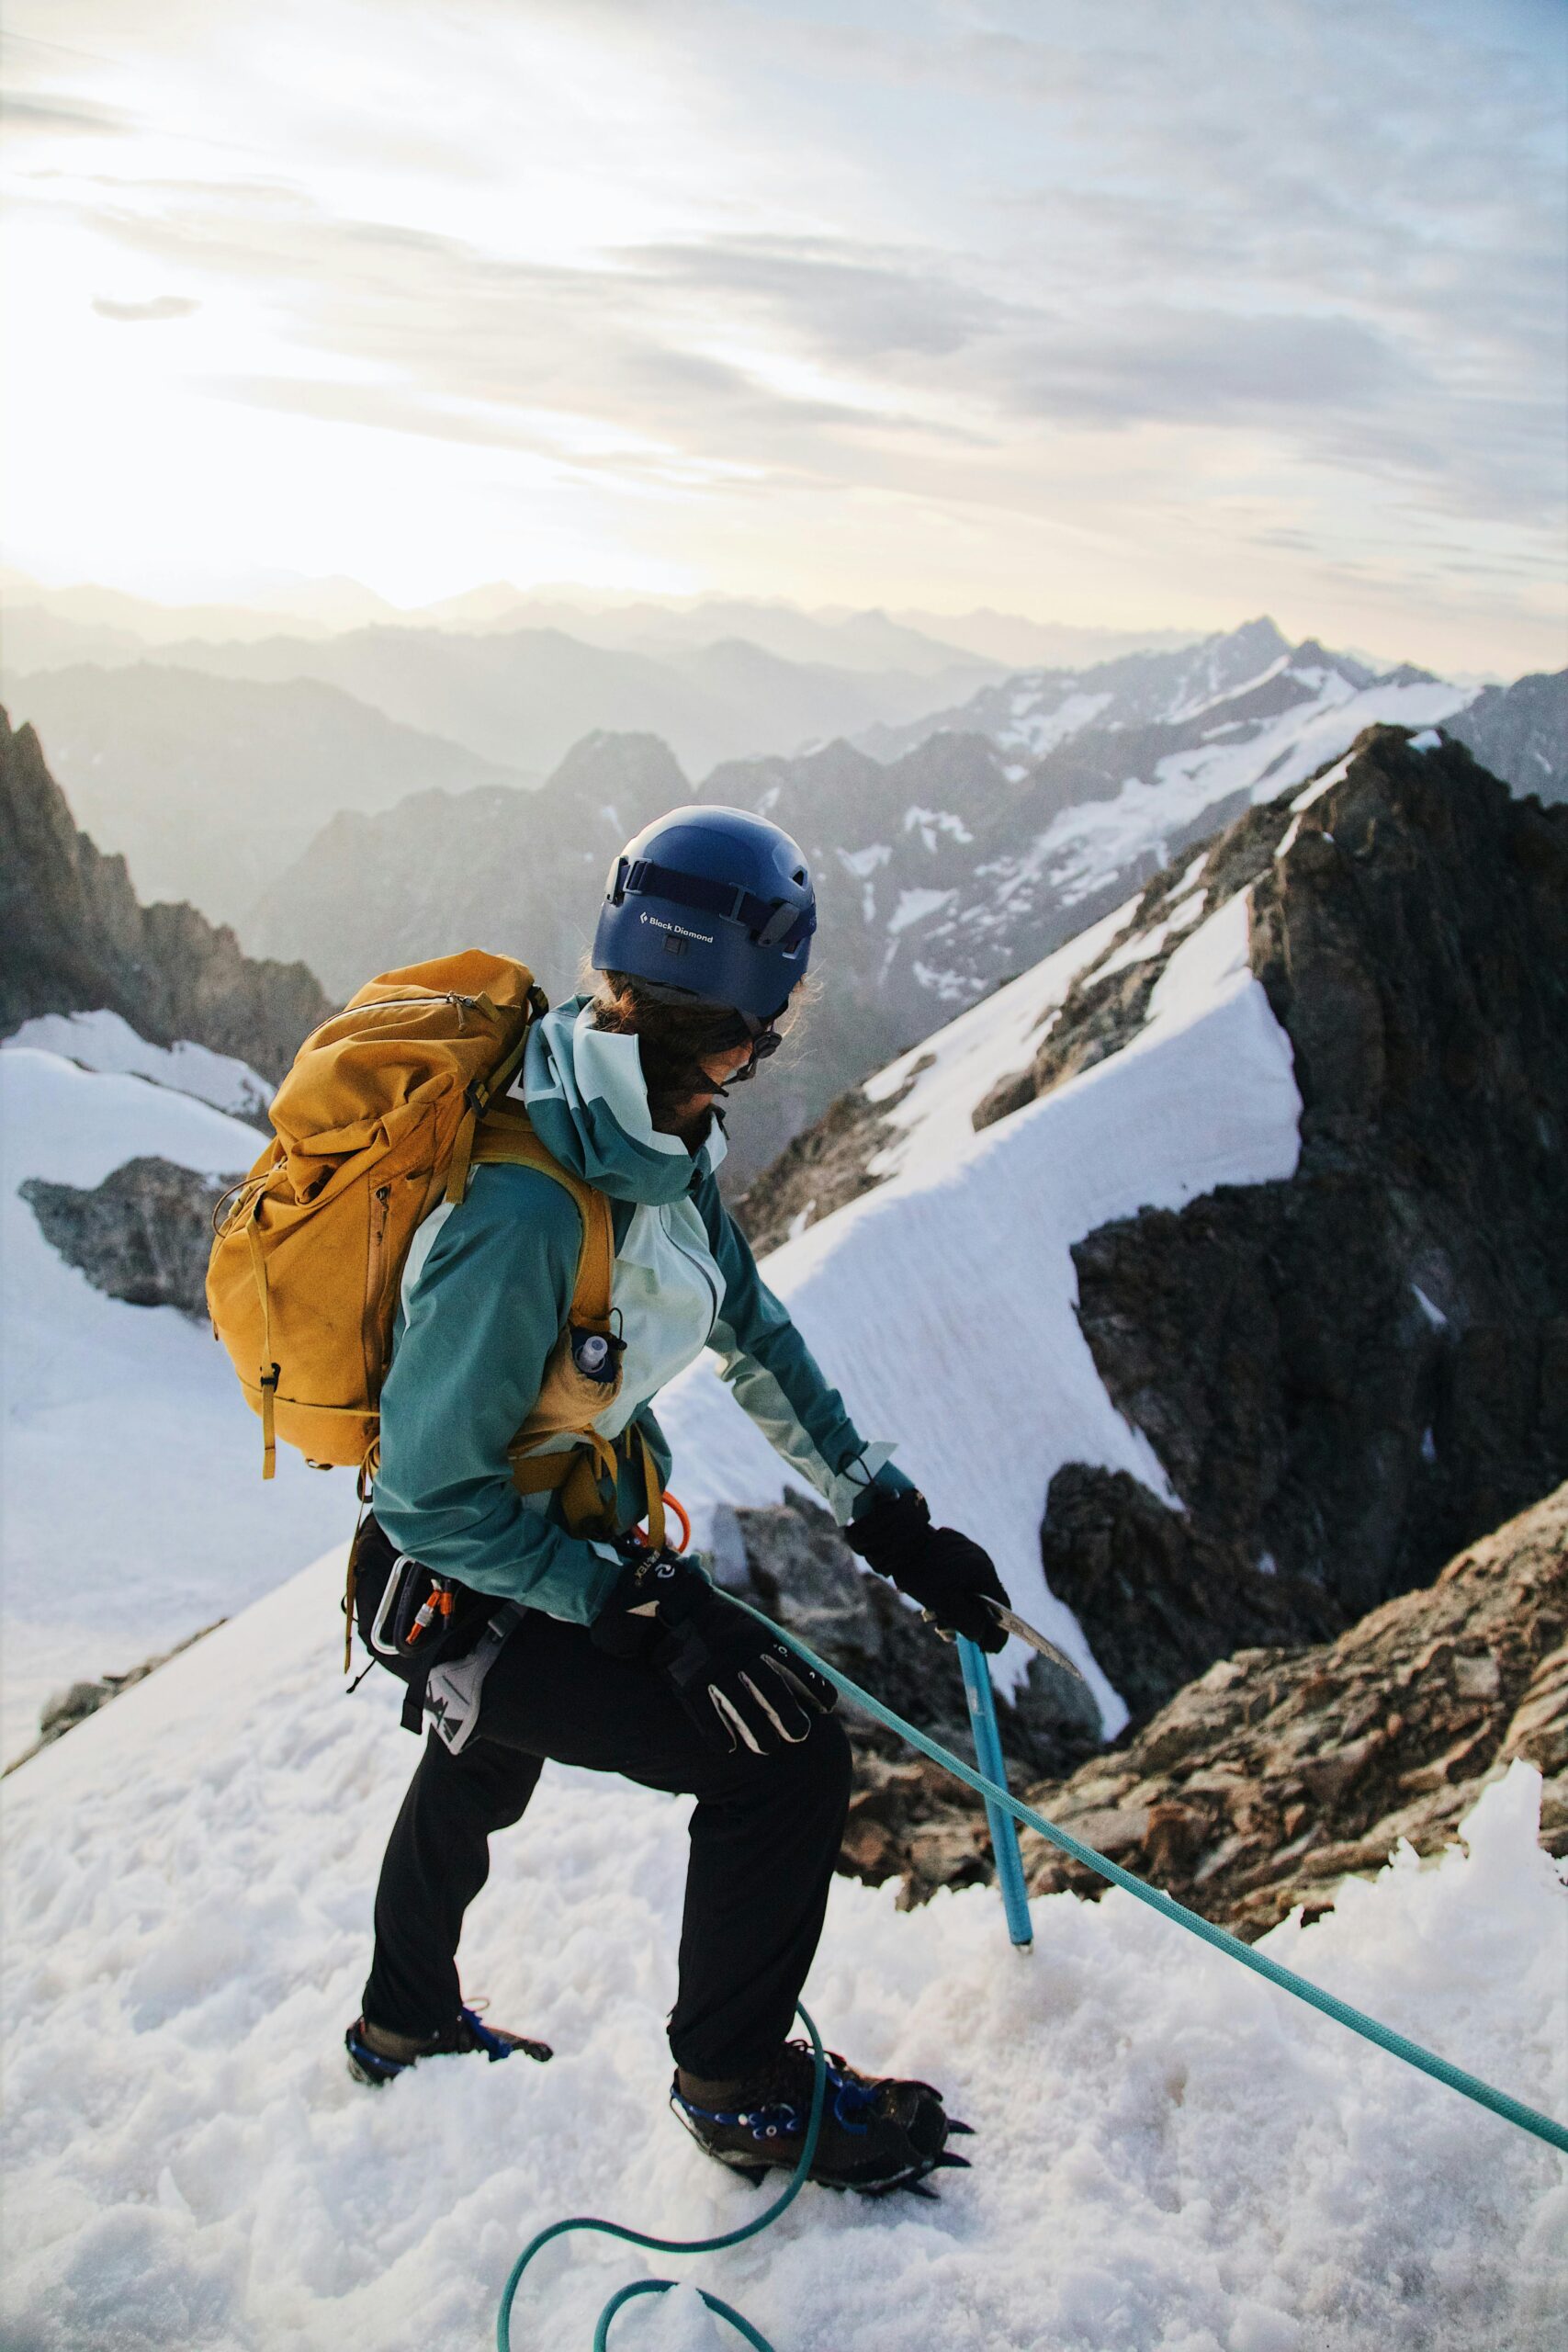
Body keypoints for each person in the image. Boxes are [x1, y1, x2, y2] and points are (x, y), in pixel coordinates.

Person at [344, 805, 1011, 2195]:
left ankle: (398, 2021)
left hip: (551, 1553)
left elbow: (752, 1330)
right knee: (782, 1753)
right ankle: (739, 2089)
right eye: (754, 1034)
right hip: (477, 1579)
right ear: (705, 1015)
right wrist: (627, 1607)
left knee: (477, 1761)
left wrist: (885, 1517)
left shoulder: (662, 1135)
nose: (759, 1062)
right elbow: (426, 1496)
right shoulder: (524, 1212)